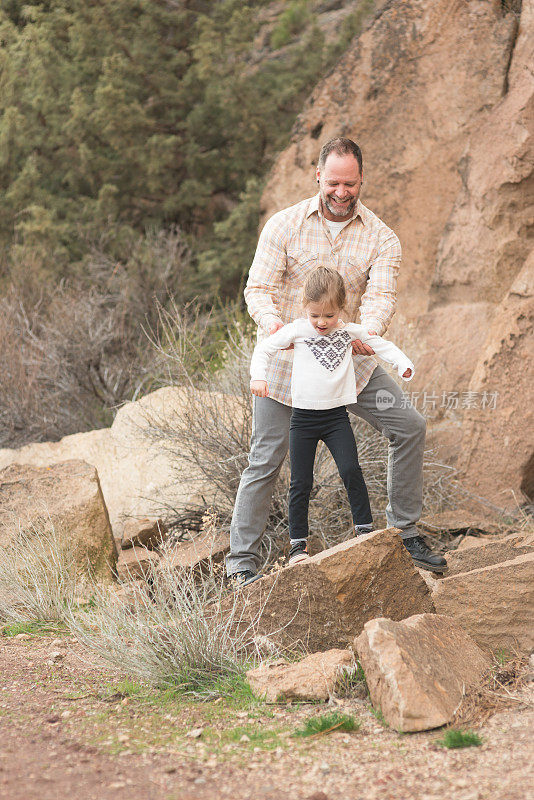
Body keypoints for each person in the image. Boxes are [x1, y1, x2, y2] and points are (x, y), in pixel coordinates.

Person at [226, 136, 447, 586]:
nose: (341, 192)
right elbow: (257, 289)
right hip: (290, 372)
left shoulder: (382, 237)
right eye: (333, 183)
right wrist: (275, 331)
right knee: (266, 458)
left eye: (349, 183)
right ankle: (241, 564)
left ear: (361, 179)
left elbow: (382, 296)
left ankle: (404, 534)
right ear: (318, 178)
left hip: (352, 366)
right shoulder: (284, 226)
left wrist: (367, 334)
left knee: (409, 427)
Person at [250, 266, 415, 566]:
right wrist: (258, 378)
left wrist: (403, 364)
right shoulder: (298, 329)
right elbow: (264, 350)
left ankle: (364, 530)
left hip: (336, 418)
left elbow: (381, 345)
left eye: (329, 315)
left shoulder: (348, 331)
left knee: (351, 471)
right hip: (302, 420)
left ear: (341, 309)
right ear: (305, 308)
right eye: (315, 315)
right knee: (301, 482)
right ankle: (298, 547)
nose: (322, 322)